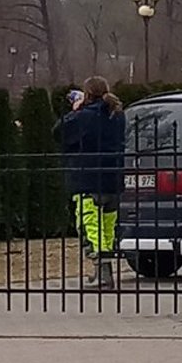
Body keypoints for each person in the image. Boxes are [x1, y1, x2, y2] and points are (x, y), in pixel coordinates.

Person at [57, 76, 126, 288]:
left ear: (87, 94)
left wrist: (75, 110)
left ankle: (102, 274)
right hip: (112, 179)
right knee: (107, 228)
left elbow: (59, 133)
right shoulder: (117, 114)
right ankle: (105, 273)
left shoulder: (85, 116)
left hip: (88, 180)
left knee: (89, 226)